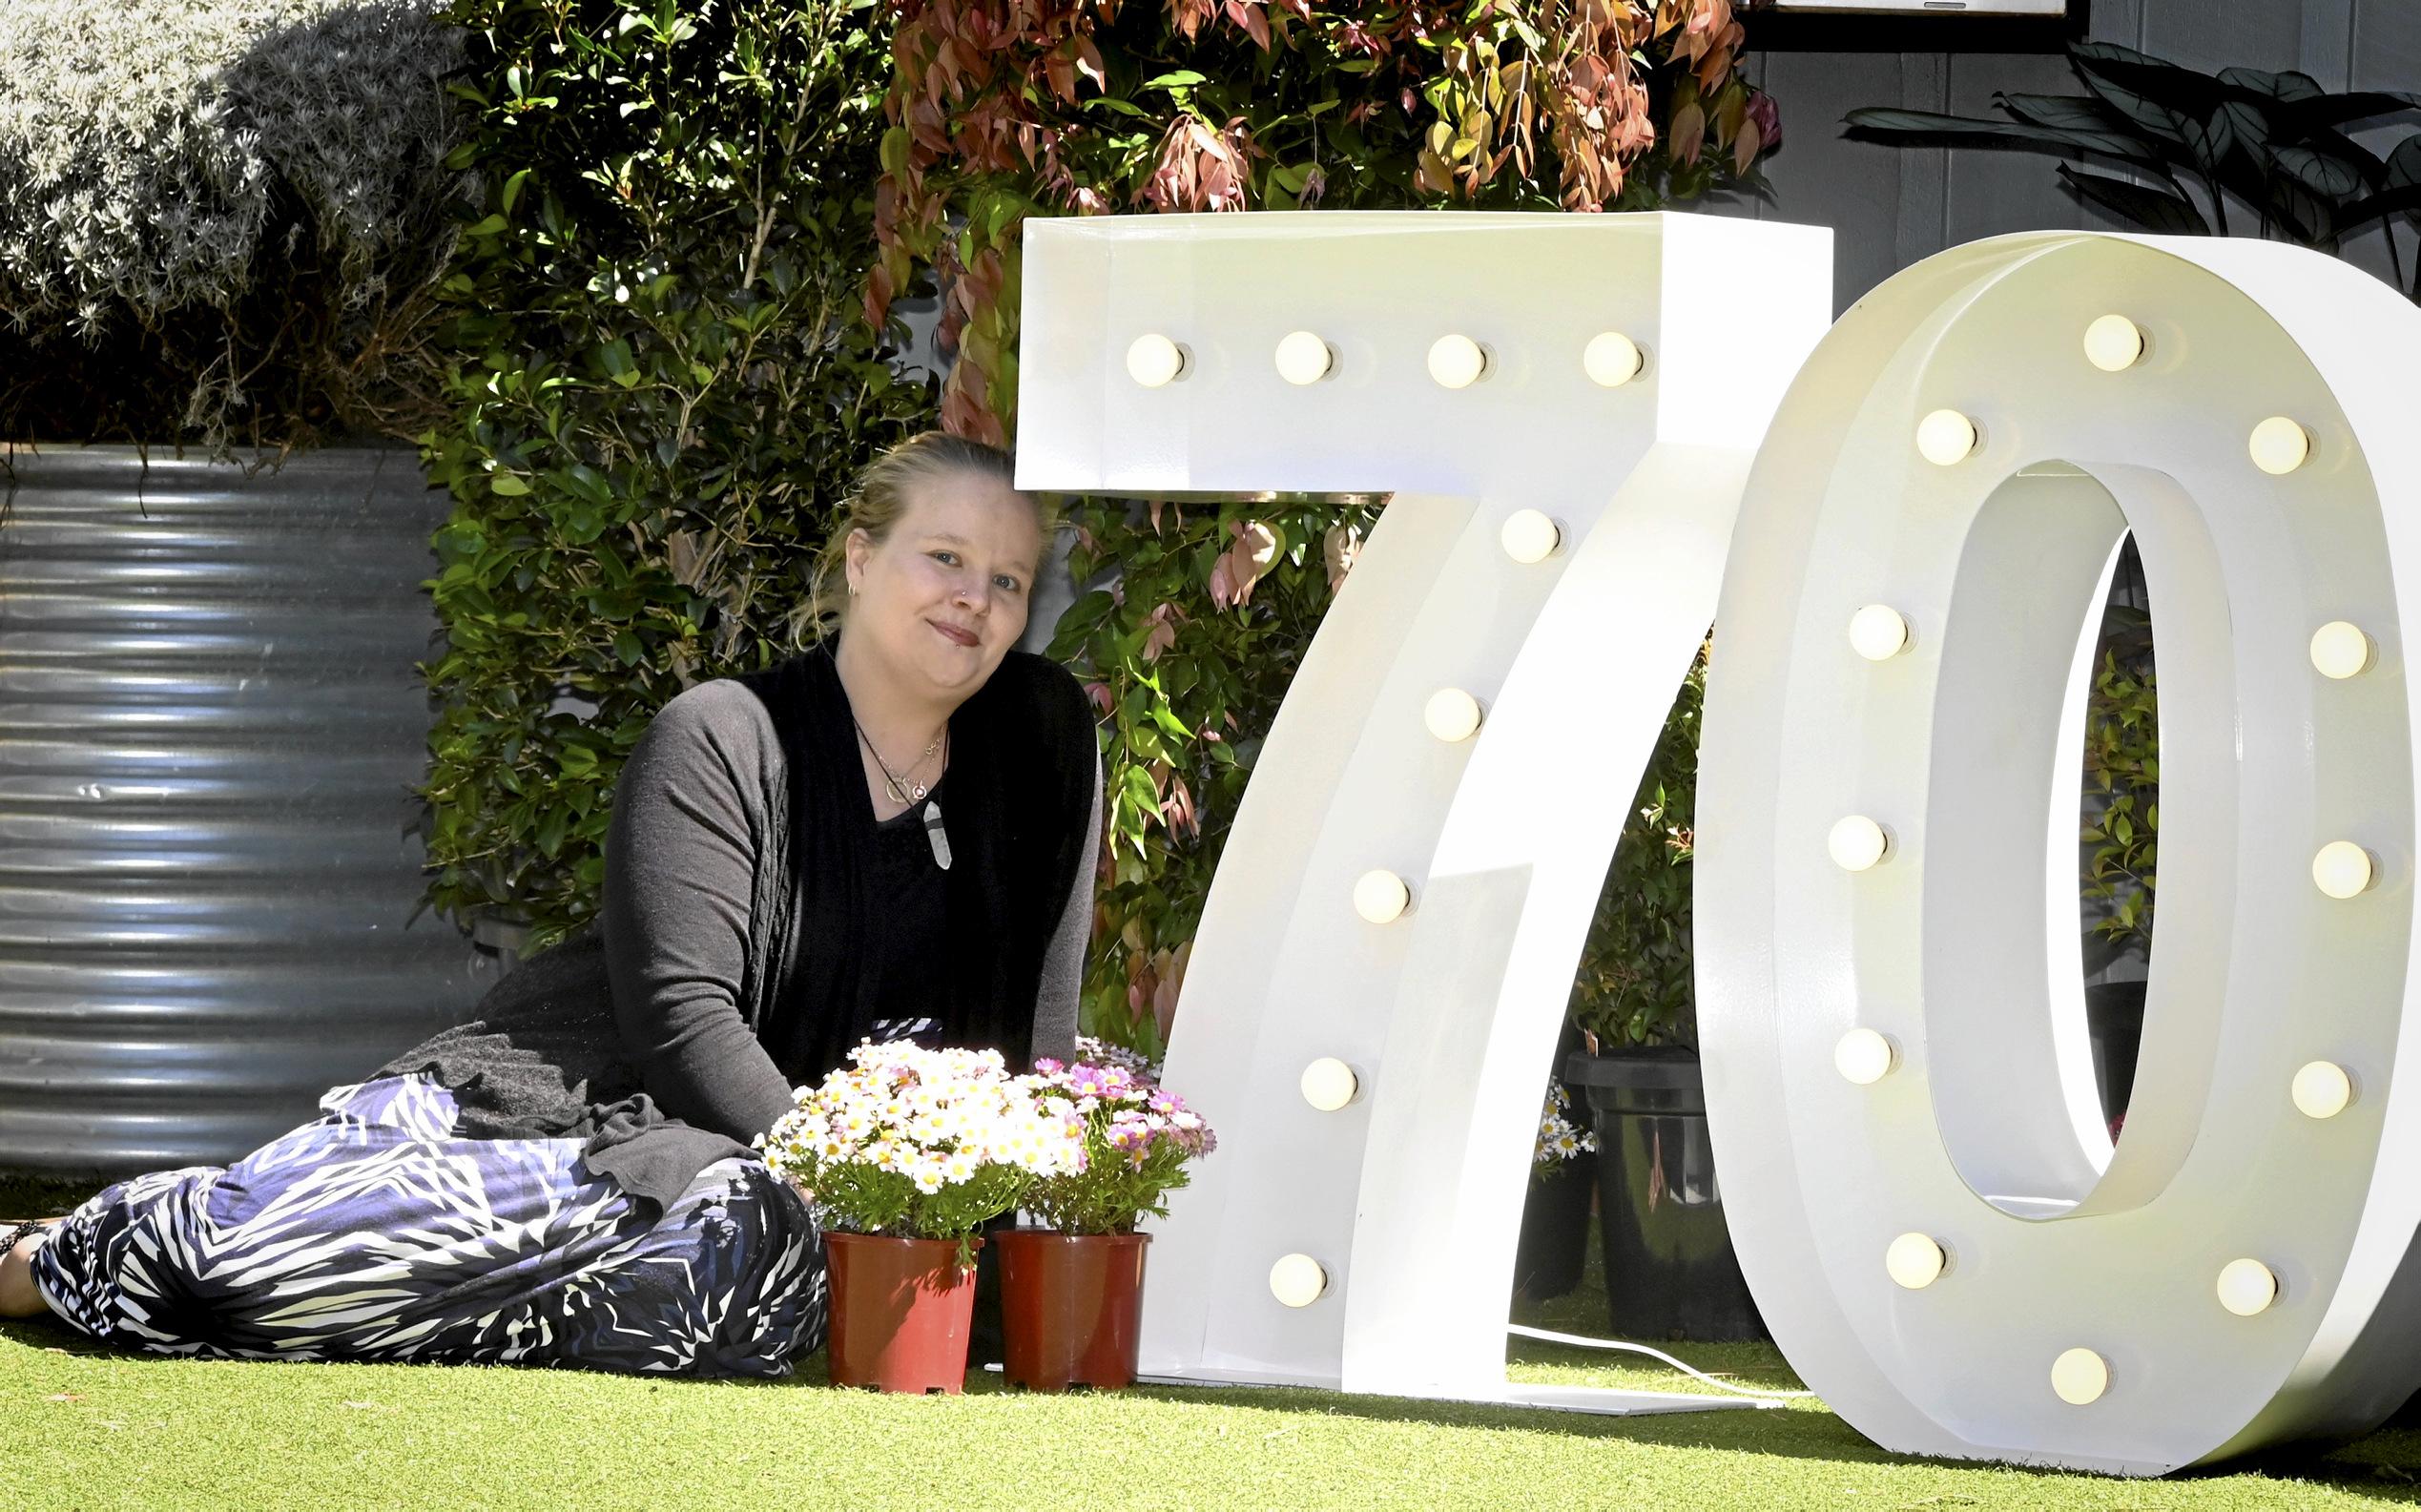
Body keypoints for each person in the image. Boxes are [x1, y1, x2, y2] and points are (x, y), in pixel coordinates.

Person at [0, 432, 1104, 1377]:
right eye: (946, 556)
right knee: (283, 1258)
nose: (977, 597)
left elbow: (1040, 1037)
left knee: (742, 1269)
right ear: (860, 561)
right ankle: (58, 1255)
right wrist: (857, 1184)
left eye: (1010, 579)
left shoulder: (1041, 742)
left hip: (759, 1199)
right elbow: (684, 1023)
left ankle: (453, 1303)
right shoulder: (723, 735)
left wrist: (1006, 1239)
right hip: (565, 1116)